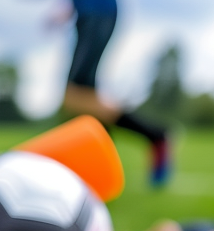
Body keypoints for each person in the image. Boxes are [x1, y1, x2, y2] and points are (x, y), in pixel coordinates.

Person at [61, 0, 170, 185]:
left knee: (75, 95)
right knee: (85, 95)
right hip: (88, 15)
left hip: (98, 11)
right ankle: (101, 169)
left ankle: (155, 135)